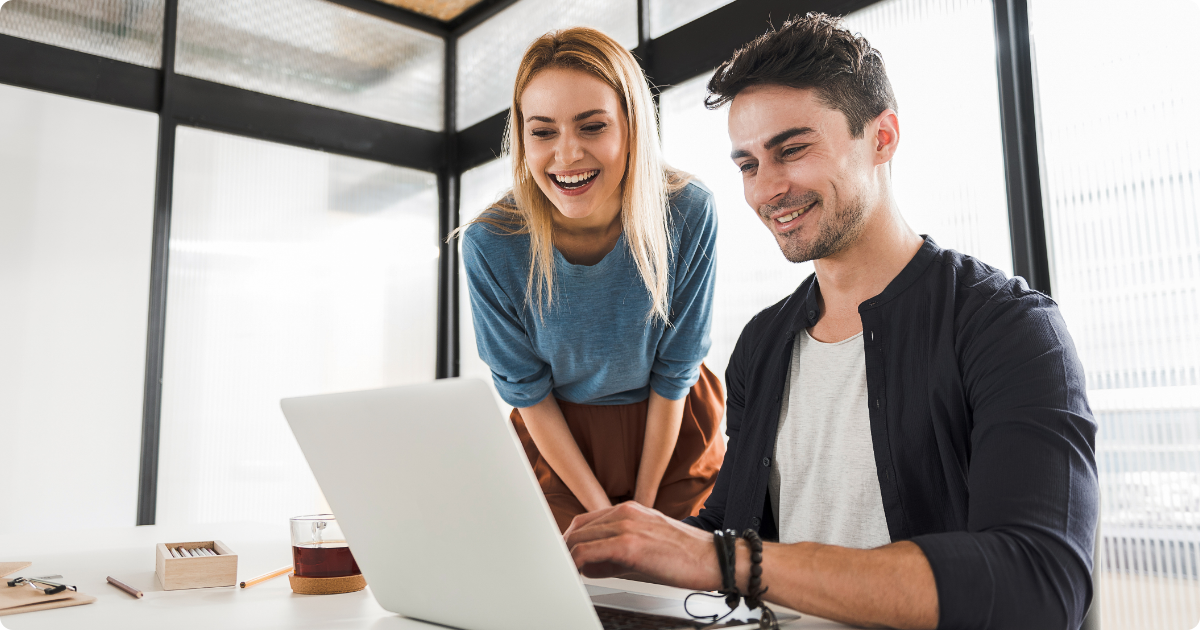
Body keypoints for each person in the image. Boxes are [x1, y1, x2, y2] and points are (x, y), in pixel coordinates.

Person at [563, 13, 1098, 630]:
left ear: (882, 137)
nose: (768, 189)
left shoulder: (1007, 330)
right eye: (747, 165)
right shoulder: (763, 344)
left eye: (792, 149)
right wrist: (619, 553)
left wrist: (720, 557)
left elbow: (1038, 584)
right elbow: (729, 535)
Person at [458, 27, 725, 534]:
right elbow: (528, 391)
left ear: (631, 127)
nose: (567, 155)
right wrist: (604, 513)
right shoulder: (491, 244)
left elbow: (676, 371)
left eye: (592, 126)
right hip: (559, 442)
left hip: (672, 429)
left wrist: (642, 513)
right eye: (542, 132)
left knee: (679, 585)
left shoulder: (689, 212)